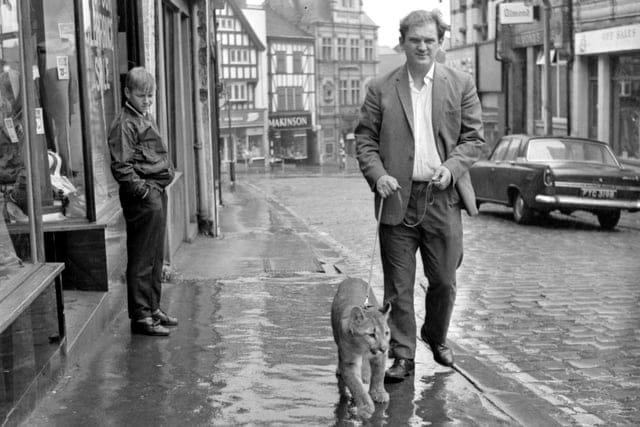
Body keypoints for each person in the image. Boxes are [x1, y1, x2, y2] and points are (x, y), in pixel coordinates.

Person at [355, 10, 485, 382]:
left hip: (442, 198)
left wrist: (453, 166)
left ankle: (435, 334)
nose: (423, 46)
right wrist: (378, 176)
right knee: (399, 285)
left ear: (440, 43)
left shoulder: (460, 83)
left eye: (430, 40)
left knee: (444, 281)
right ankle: (403, 355)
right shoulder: (381, 87)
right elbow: (364, 140)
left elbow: (474, 139)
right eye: (415, 40)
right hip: (396, 199)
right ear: (403, 43)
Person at [108, 67, 177, 336]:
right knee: (141, 257)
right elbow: (122, 167)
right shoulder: (125, 123)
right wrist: (145, 193)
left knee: (155, 256)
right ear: (127, 93)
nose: (147, 101)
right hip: (144, 196)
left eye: (150, 96)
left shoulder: (141, 115)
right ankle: (141, 317)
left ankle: (152, 308)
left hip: (155, 192)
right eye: (141, 95)